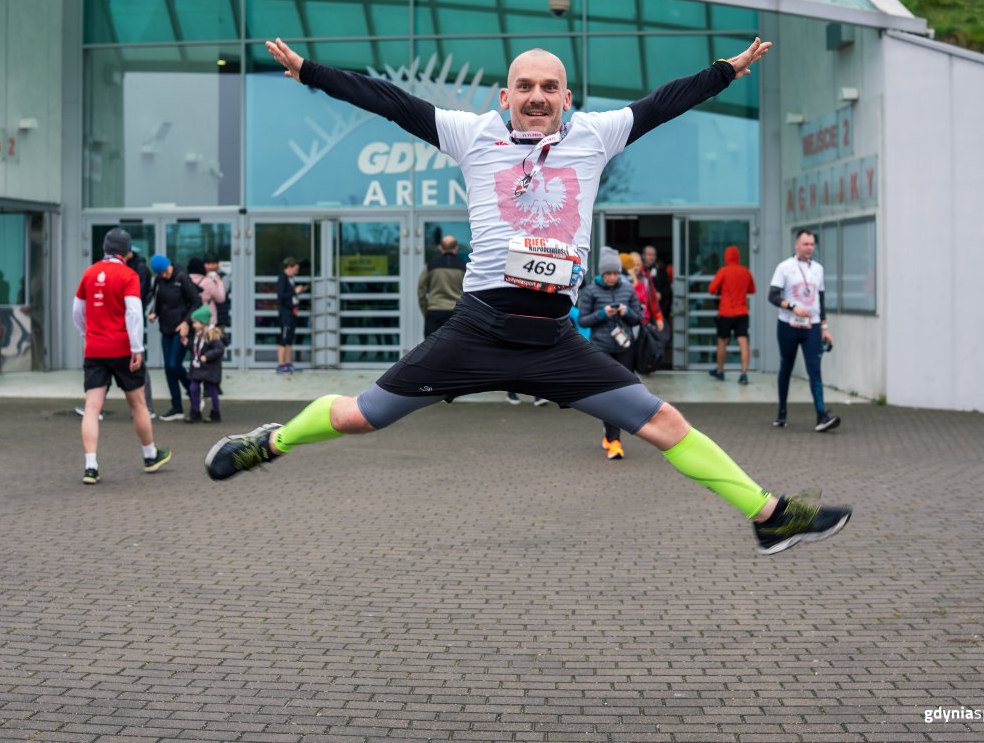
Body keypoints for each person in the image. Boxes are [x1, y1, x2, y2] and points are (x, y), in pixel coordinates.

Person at [207, 36, 852, 557]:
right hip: (476, 332)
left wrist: (725, 72)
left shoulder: (596, 136)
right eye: (525, 86)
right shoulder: (471, 134)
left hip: (555, 343)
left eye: (549, 87)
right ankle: (271, 443)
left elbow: (664, 103)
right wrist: (312, 72)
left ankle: (768, 517)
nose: (537, 96)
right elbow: (389, 101)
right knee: (361, 416)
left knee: (665, 423)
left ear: (566, 97)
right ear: (505, 94)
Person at [73, 227, 171, 484]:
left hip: (94, 349)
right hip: (122, 349)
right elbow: (134, 313)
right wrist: (137, 347)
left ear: (104, 249)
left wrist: (87, 334)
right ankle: (150, 455)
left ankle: (91, 465)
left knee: (92, 408)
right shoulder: (128, 275)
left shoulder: (89, 272)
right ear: (126, 252)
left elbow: (77, 310)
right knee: (137, 404)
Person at [770, 230, 840, 432]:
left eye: (812, 244)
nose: (809, 248)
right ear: (796, 245)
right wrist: (792, 307)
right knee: (786, 367)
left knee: (814, 369)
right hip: (788, 325)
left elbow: (821, 299)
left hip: (812, 326)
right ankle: (782, 412)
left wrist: (824, 327)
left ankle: (821, 415)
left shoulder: (818, 269)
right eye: (806, 244)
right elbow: (773, 296)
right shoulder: (784, 268)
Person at [576, 248, 642, 460]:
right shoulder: (591, 292)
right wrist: (603, 314)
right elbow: (584, 320)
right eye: (608, 273)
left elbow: (638, 318)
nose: (612, 277)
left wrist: (626, 312)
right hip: (601, 348)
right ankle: (614, 441)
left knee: (624, 393)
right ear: (602, 274)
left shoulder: (628, 289)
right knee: (609, 393)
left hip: (624, 348)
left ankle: (610, 435)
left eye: (615, 273)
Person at [148, 253, 201, 420]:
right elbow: (157, 299)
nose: (165, 275)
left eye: (165, 271)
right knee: (168, 369)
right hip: (166, 328)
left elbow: (196, 301)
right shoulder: (158, 280)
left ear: (169, 265)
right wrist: (154, 313)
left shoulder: (181, 277)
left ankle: (193, 392)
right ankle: (177, 407)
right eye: (161, 273)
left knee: (173, 364)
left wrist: (186, 322)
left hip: (181, 328)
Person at [708, 245, 756, 384]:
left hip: (726, 312)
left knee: (722, 342)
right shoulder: (745, 271)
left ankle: (720, 371)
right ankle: (744, 374)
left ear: (726, 257)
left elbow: (711, 289)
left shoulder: (723, 271)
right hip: (742, 312)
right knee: (743, 342)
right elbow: (752, 290)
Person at [418, 235, 467, 338]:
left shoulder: (431, 266)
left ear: (440, 248)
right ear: (456, 248)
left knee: (431, 349)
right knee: (454, 348)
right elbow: (470, 291)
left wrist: (426, 311)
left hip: (435, 312)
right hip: (456, 313)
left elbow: (421, 290)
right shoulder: (464, 267)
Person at [184, 305, 226, 423]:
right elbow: (196, 349)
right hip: (199, 368)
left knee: (212, 390)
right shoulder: (198, 334)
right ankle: (195, 411)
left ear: (203, 322)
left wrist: (206, 356)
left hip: (210, 368)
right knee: (193, 388)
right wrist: (188, 344)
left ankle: (215, 413)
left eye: (195, 322)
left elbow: (219, 349)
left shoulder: (212, 334)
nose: (193, 325)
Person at [275, 257, 306, 374]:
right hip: (285, 313)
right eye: (295, 269)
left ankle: (288, 363)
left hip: (291, 311)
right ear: (289, 267)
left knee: (289, 338)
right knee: (283, 338)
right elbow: (281, 296)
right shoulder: (282, 279)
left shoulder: (291, 279)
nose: (297, 271)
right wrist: (295, 292)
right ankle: (281, 364)